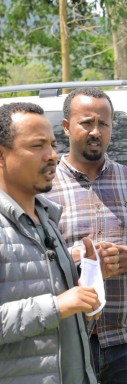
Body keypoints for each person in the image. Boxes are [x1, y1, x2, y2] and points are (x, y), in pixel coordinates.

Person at [45, 87, 127, 384]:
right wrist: (78, 258)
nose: (95, 131)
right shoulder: (45, 188)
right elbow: (33, 261)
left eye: (103, 123)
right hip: (68, 342)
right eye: (86, 123)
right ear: (66, 127)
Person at [0, 102, 101, 383]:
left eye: (53, 145)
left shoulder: (45, 217)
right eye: (37, 146)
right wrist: (57, 306)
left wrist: (86, 283)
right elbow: (56, 307)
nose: (52, 156)